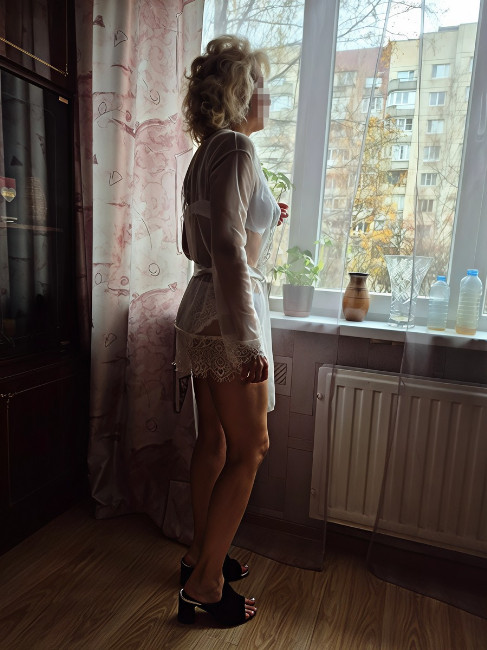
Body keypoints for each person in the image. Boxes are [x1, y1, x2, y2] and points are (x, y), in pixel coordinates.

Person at [174, 35, 288, 626]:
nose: (269, 97)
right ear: (241, 93)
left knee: (214, 442)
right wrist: (246, 342)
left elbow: (194, 242)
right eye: (261, 86)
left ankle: (200, 554)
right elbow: (225, 246)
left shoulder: (207, 153)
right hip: (227, 318)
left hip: (199, 308)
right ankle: (204, 586)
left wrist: (266, 217)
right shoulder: (240, 147)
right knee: (251, 448)